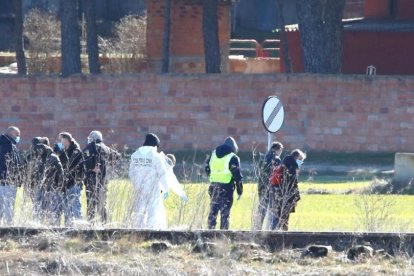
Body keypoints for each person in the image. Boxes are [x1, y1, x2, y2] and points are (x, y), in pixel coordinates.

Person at [129, 133, 187, 229]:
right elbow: (163, 175)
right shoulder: (156, 156)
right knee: (153, 212)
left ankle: (138, 231)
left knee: (139, 211)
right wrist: (166, 189)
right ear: (155, 145)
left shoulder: (134, 155)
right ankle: (151, 231)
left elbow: (131, 173)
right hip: (153, 190)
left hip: (139, 188)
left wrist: (136, 184)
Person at [205, 136, 243, 230]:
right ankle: (223, 238)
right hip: (226, 189)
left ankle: (209, 235)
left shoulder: (213, 154)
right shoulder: (233, 157)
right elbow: (237, 176)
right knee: (225, 215)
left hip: (213, 187)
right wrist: (239, 191)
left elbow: (207, 167)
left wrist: (212, 177)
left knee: (213, 213)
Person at [83, 130, 120, 224]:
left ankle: (91, 225)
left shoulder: (89, 147)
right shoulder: (106, 148)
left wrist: (91, 168)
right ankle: (104, 224)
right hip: (103, 181)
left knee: (91, 204)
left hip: (91, 180)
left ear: (92, 138)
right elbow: (117, 156)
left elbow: (85, 161)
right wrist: (108, 164)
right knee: (102, 204)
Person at [54, 132, 84, 226]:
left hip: (74, 182)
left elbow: (72, 166)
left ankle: (79, 226)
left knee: (74, 205)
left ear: (67, 140)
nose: (60, 142)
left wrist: (62, 153)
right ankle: (68, 226)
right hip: (64, 184)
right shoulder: (63, 151)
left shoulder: (76, 151)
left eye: (61, 140)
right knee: (66, 207)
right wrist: (56, 153)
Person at [31, 143, 64, 225]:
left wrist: (32, 187)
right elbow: (61, 173)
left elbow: (31, 175)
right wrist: (59, 185)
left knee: (38, 211)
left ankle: (37, 227)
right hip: (52, 188)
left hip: (39, 188)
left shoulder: (35, 158)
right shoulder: (54, 157)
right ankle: (55, 228)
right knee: (54, 211)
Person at [274, 149, 306, 231]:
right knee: (284, 215)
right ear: (297, 157)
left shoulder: (285, 162)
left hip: (280, 192)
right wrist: (297, 196)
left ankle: (278, 231)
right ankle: (283, 233)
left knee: (280, 214)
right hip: (287, 194)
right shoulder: (292, 166)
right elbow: (293, 182)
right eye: (301, 160)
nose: (301, 163)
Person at [254, 141, 283, 230]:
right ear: (278, 149)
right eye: (281, 150)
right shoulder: (276, 159)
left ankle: (257, 227)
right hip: (271, 186)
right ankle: (271, 229)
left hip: (261, 185)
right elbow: (278, 174)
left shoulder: (263, 157)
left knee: (261, 207)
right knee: (273, 208)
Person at [0, 126, 21, 225]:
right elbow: (13, 165)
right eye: (17, 135)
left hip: (2, 181)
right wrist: (17, 179)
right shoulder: (9, 146)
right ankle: (7, 228)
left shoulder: (3, 144)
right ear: (12, 134)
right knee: (8, 205)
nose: (18, 138)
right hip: (8, 181)